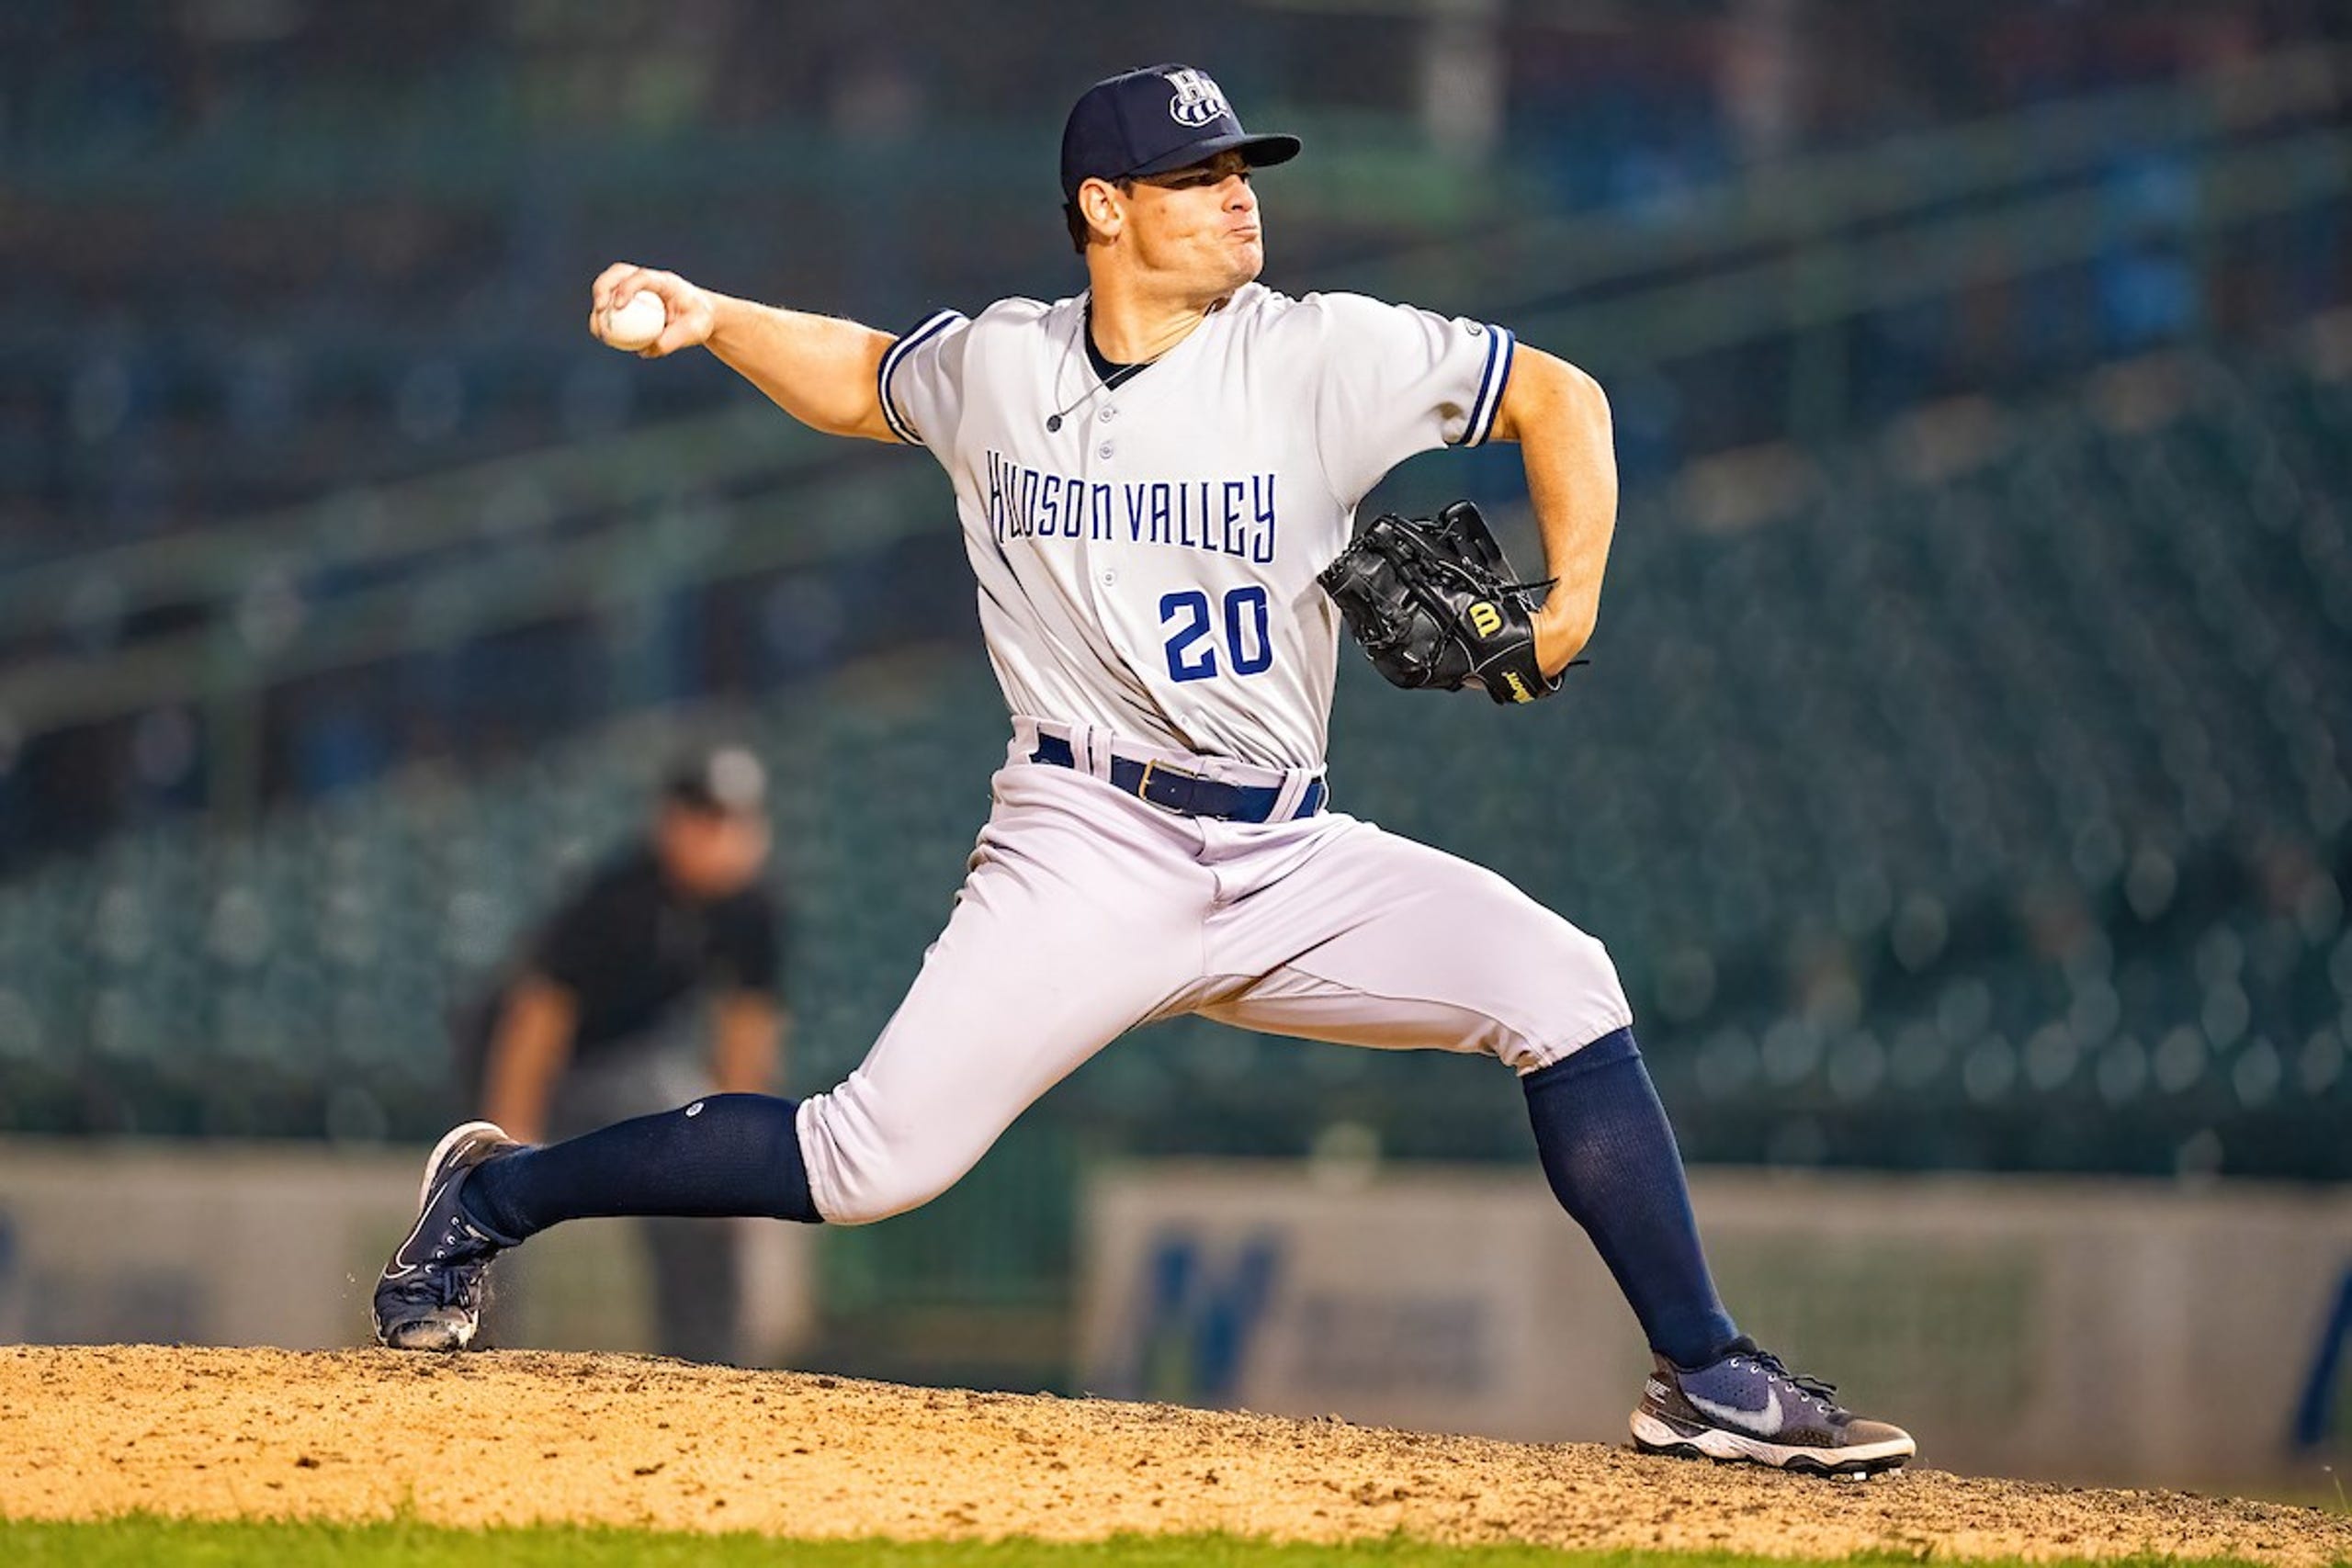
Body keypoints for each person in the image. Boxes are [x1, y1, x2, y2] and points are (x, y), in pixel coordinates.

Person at [374, 63, 1914, 1474]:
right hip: (1082, 843)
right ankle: (493, 1196)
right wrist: (712, 315)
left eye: (1245, 166)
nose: (1240, 192)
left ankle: (1702, 1374)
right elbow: (860, 375)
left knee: (1565, 986)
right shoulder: (998, 364)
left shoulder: (1328, 355)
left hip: (1286, 856)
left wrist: (1570, 600)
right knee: (865, 1159)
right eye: (1197, 174)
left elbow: (1557, 398)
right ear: (1104, 209)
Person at [454, 745, 786, 1363]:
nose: (723, 837)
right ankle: (476, 1348)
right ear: (672, 822)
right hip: (526, 1063)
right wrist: (510, 1131)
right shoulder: (619, 896)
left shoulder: (751, 907)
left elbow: (747, 1026)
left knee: (709, 1160)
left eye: (735, 821)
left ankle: (711, 1362)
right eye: (707, 819)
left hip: (625, 1064)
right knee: (497, 1195)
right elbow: (538, 1014)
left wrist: (743, 1146)